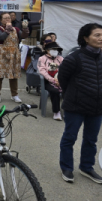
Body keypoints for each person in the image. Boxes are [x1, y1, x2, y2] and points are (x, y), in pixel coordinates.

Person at [58, 23, 102, 184]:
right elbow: (63, 80)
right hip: (75, 106)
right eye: (97, 35)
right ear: (85, 38)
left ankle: (86, 167)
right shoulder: (74, 58)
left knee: (91, 139)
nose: (100, 38)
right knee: (70, 137)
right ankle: (67, 167)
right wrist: (74, 95)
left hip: (97, 107)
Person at [0, 12, 29, 103]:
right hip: (2, 53)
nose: (8, 19)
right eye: (5, 18)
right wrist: (7, 30)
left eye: (9, 18)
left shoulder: (16, 29)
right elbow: (1, 37)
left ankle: (15, 95)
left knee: (13, 75)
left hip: (13, 53)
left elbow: (23, 36)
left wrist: (25, 28)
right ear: (1, 20)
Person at [37, 42, 64, 120]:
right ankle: (56, 112)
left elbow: (65, 70)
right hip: (47, 81)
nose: (55, 51)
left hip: (60, 81)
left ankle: (68, 111)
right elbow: (42, 71)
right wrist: (53, 80)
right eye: (53, 49)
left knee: (69, 90)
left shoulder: (60, 59)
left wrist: (61, 80)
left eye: (56, 49)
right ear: (47, 50)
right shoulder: (41, 59)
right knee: (55, 91)